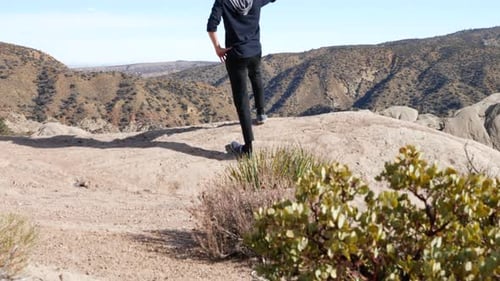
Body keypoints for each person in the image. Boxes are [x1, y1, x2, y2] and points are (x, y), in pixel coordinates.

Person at [207, 0, 276, 156]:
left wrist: (218, 48)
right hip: (254, 50)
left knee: (241, 98)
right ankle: (261, 114)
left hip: (236, 54)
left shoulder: (223, 2)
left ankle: (248, 149)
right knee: (256, 76)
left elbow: (211, 26)